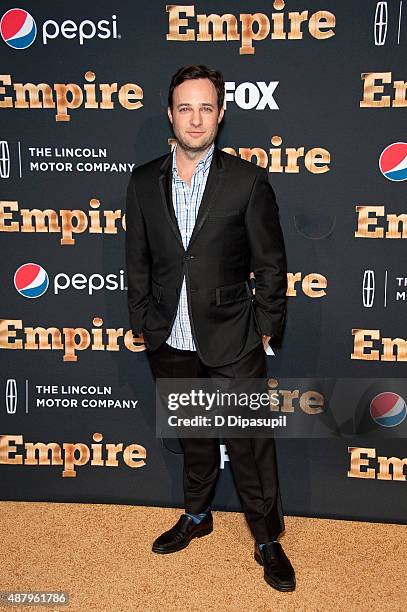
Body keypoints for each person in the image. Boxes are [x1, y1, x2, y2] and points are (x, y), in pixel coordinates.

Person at [125, 65, 294, 592]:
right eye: (184, 108)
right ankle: (197, 516)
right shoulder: (143, 180)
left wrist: (266, 327)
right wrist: (142, 319)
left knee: (249, 444)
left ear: (221, 114)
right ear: (169, 114)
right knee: (194, 438)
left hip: (233, 336)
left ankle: (267, 538)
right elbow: (139, 260)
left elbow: (270, 263)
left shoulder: (247, 180)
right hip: (168, 338)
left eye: (205, 108)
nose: (195, 119)